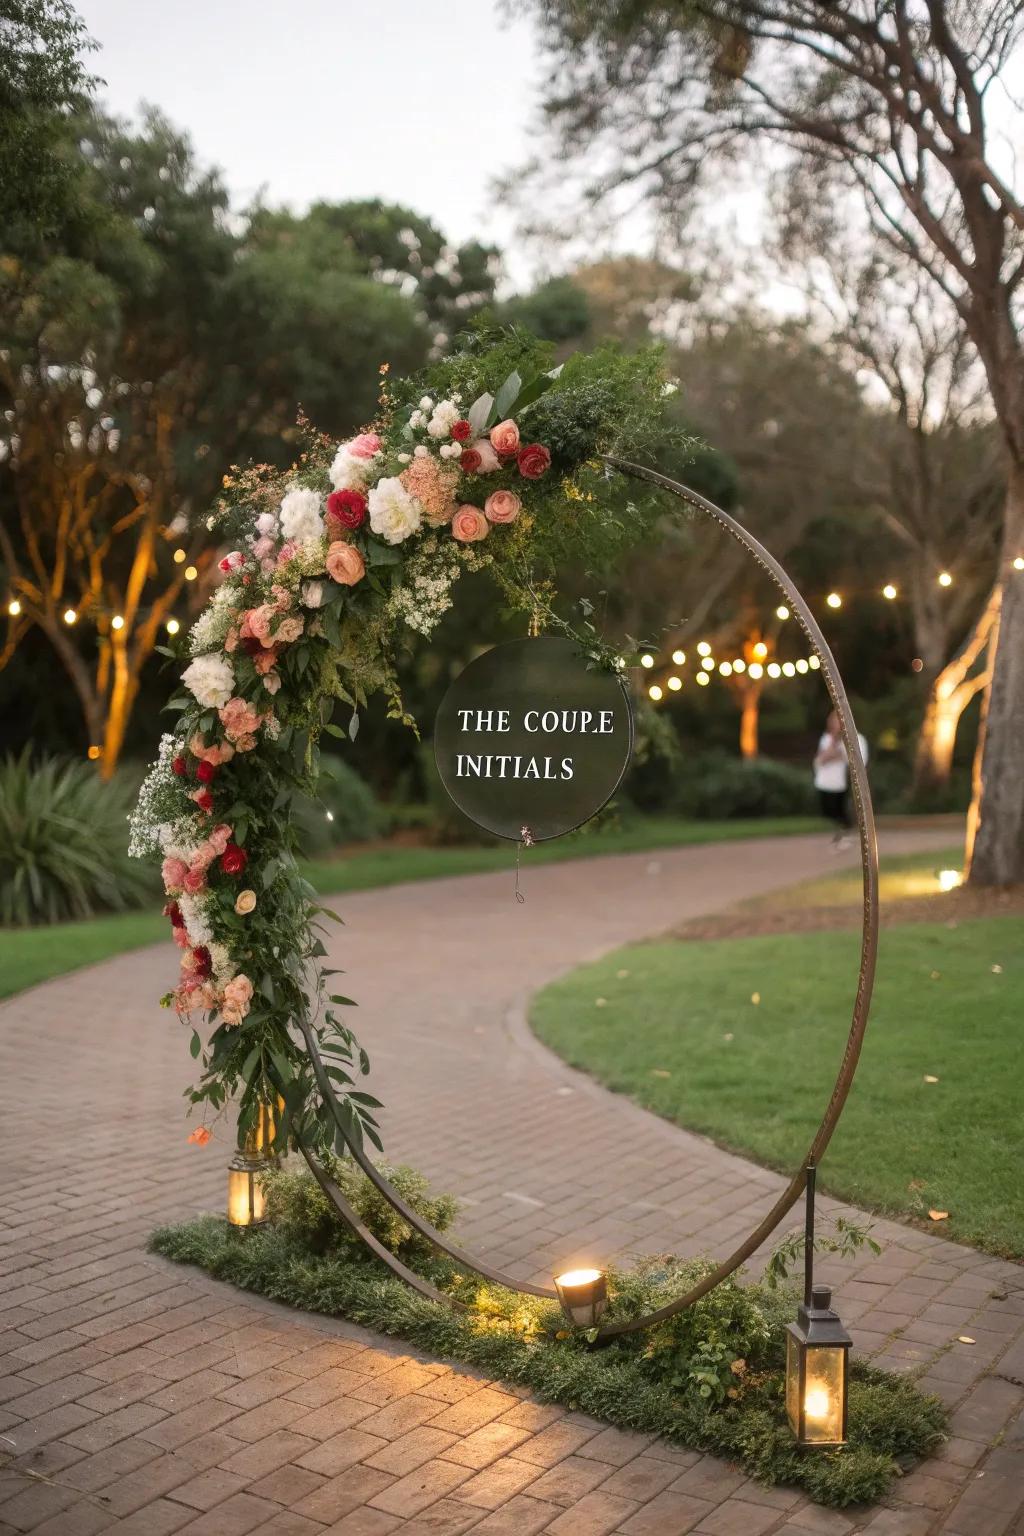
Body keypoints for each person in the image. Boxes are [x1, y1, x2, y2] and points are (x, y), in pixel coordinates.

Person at [813, 711, 868, 848]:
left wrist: (833, 755)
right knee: (829, 810)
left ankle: (845, 835)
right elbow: (820, 759)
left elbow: (855, 758)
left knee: (841, 809)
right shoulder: (827, 739)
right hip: (826, 782)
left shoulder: (855, 738)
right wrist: (832, 750)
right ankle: (839, 835)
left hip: (843, 780)